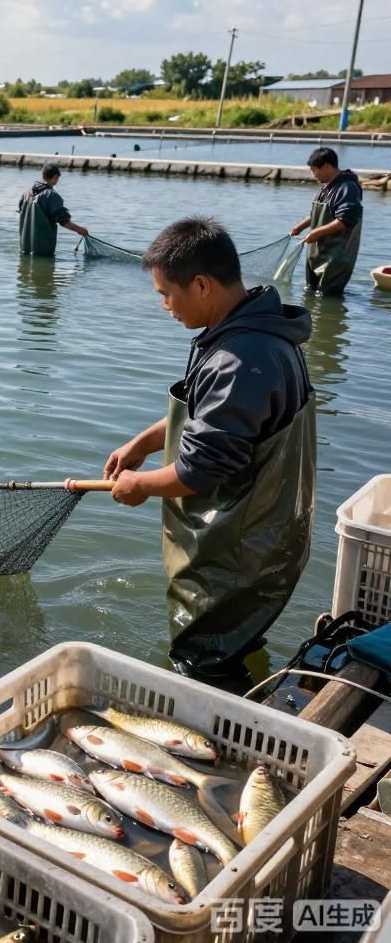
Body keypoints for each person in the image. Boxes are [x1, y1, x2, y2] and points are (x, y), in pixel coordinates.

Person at [97, 216, 316, 686]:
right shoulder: (252, 332)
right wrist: (142, 443)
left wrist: (140, 486)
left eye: (166, 294)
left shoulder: (240, 360)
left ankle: (222, 736)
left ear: (201, 285)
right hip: (264, 538)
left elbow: (202, 468)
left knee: (202, 660)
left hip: (238, 553)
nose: (164, 306)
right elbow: (207, 418)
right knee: (235, 644)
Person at [290, 147, 363, 295]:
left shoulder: (347, 187)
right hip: (317, 255)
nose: (314, 175)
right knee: (311, 294)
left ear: (327, 167)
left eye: (315, 170)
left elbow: (346, 219)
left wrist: (316, 232)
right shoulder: (325, 188)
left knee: (327, 297)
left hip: (336, 258)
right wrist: (300, 227)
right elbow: (316, 214)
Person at [18, 163, 88, 256]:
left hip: (25, 247)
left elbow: (21, 210)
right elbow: (63, 222)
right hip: (43, 250)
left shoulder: (27, 192)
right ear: (55, 177)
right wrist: (80, 230)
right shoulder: (52, 196)